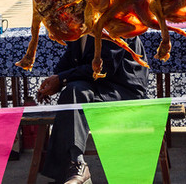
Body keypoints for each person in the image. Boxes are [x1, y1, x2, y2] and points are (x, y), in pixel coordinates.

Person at [37, 35, 149, 184]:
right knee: (72, 93)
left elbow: (105, 67)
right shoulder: (80, 26)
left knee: (75, 92)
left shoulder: (114, 22)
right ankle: (75, 167)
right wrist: (53, 81)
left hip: (123, 90)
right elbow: (72, 58)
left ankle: (75, 166)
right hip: (98, 86)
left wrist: (62, 79)